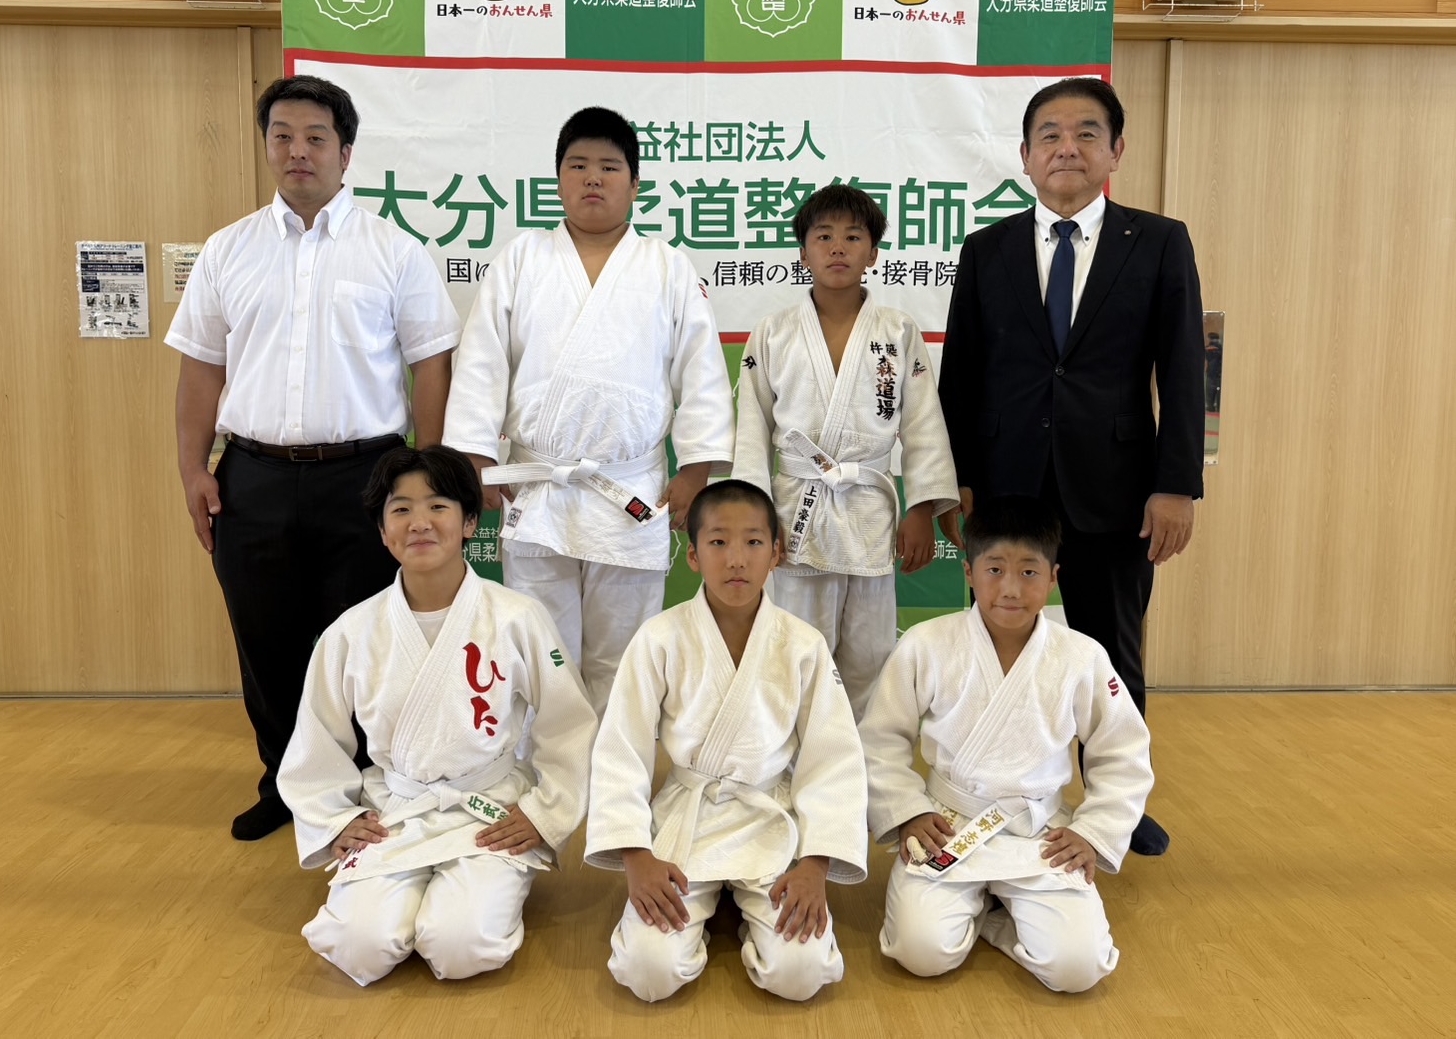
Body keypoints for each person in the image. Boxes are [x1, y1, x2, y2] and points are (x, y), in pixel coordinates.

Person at [166, 75, 462, 841]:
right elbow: (201, 369)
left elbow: (432, 364)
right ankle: (284, 784)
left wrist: (427, 476)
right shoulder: (227, 250)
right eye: (282, 136)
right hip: (252, 475)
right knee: (265, 640)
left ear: (346, 152)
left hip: (365, 477)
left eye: (315, 138)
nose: (298, 151)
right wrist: (194, 469)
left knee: (363, 640)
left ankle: (362, 785)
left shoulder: (393, 250)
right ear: (267, 146)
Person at [938, 77, 1204, 855]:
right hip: (1005, 485)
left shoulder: (1158, 242)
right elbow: (962, 375)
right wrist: (954, 481)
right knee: (996, 644)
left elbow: (1181, 371)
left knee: (1112, 654)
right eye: (1049, 135)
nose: (1066, 147)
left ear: (1115, 151)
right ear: (1024, 155)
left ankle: (1117, 806)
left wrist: (1175, 484)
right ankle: (986, 789)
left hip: (1115, 488)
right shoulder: (986, 249)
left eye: (1086, 133)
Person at [443, 106, 734, 718]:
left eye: (609, 166)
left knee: (623, 656)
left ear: (634, 183)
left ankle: (616, 763)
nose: (593, 178)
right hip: (537, 487)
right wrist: (474, 456)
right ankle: (548, 762)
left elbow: (702, 371)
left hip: (630, 489)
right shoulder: (522, 259)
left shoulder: (666, 266)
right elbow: (482, 362)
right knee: (540, 650)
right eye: (577, 166)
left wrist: (697, 469)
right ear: (558, 180)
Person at [277, 446, 599, 986]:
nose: (419, 522)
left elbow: (570, 722)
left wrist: (545, 813)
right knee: (357, 947)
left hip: (488, 809)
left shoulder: (517, 617)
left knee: (461, 947)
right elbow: (317, 738)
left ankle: (475, 893)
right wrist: (333, 819)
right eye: (401, 509)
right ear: (382, 531)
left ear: (471, 522)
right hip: (396, 809)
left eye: (438, 506)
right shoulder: (351, 631)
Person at [585, 480, 868, 1002]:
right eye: (718, 542)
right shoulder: (659, 638)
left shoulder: (802, 644)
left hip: (769, 817)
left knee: (800, 974)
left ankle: (743, 902)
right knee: (648, 972)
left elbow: (834, 756)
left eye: (753, 542)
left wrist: (816, 863)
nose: (736, 558)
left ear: (776, 553)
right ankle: (719, 900)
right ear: (693, 555)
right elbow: (620, 748)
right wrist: (636, 856)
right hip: (688, 819)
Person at [858, 496, 1153, 993]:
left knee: (1078, 968)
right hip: (947, 825)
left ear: (1053, 577)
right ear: (969, 573)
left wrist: (1094, 832)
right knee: (921, 952)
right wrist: (907, 811)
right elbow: (880, 739)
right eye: (995, 569)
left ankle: (991, 914)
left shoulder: (1081, 656)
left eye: (1028, 572)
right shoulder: (926, 644)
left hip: (1040, 830)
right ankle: (989, 909)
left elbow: (1123, 751)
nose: (1011, 589)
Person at [733, 184, 960, 722]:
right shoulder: (773, 332)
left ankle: (860, 761)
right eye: (824, 236)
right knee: (794, 649)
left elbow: (923, 424)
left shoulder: (897, 331)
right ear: (803, 252)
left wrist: (921, 508)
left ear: (873, 253)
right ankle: (794, 757)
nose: (838, 247)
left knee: (870, 653)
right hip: (795, 508)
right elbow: (750, 428)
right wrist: (756, 517)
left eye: (853, 237)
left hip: (869, 507)